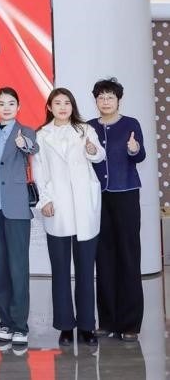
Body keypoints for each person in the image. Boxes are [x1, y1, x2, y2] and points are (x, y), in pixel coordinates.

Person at [33, 87, 105, 347]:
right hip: (58, 207)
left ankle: (87, 326)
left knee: (86, 270)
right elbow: (39, 169)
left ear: (72, 106)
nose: (63, 107)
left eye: (67, 103)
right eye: (57, 103)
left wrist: (92, 149)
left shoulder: (85, 129)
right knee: (60, 271)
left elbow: (100, 155)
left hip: (84, 207)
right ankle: (65, 326)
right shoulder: (42, 135)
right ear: (49, 107)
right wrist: (45, 200)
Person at [87, 78, 146, 341]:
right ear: (96, 101)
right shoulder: (88, 127)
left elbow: (140, 155)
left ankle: (130, 323)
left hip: (126, 195)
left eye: (110, 97)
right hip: (98, 198)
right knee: (104, 257)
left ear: (118, 100)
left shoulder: (131, 124)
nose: (105, 101)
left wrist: (135, 149)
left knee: (129, 256)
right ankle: (107, 321)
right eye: (101, 97)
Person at [0, 87, 39, 347]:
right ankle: (5, 322)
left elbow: (33, 148)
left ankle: (20, 325)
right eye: (2, 103)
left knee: (18, 268)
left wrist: (23, 144)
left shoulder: (26, 131)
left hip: (16, 209)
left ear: (18, 107)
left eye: (11, 103)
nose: (6, 108)